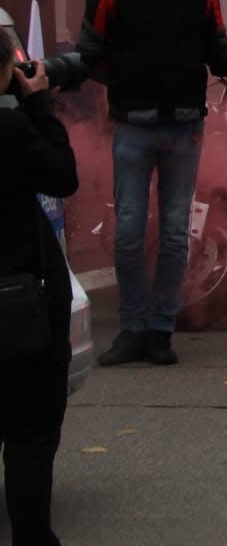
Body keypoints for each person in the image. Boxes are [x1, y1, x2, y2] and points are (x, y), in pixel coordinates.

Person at [45, 0, 227, 367]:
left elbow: (218, 57)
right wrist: (122, 79)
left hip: (184, 126)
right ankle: (131, 327)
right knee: (128, 232)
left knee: (176, 233)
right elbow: (89, 54)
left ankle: (161, 328)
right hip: (134, 126)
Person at [1, 38, 78, 546]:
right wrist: (37, 102)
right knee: (29, 434)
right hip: (16, 307)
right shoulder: (9, 128)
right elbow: (61, 175)